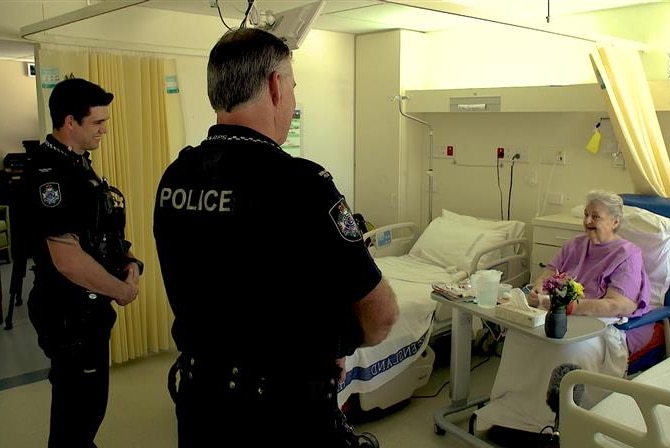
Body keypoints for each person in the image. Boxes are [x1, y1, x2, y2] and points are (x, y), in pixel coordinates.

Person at [152, 27, 399, 448]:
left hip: (200, 404)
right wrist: (337, 342)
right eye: (294, 86)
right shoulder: (302, 184)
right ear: (274, 85)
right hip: (281, 414)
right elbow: (381, 316)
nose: (294, 101)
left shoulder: (176, 177)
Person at [474, 189, 652, 437]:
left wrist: (569, 307)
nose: (588, 221)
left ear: (615, 221)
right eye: (586, 215)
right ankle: (511, 412)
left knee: (567, 347)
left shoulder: (627, 254)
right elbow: (548, 273)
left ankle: (560, 423)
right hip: (559, 312)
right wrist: (538, 290)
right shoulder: (576, 245)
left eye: (596, 217)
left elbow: (617, 304)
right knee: (520, 337)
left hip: (600, 321)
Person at [26, 77, 142, 448]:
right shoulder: (49, 175)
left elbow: (101, 232)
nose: (105, 129)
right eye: (98, 122)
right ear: (70, 122)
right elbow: (68, 260)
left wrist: (130, 262)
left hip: (89, 313)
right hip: (68, 317)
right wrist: (122, 290)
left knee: (88, 410)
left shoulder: (79, 166)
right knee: (76, 417)